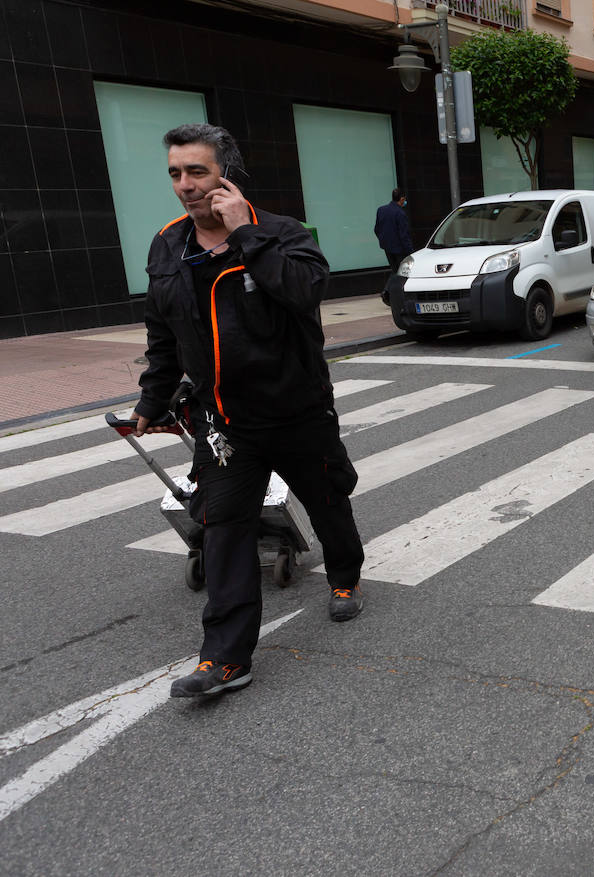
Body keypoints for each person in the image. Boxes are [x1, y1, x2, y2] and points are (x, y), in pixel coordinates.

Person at [133, 123, 366, 698]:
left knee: (327, 498)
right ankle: (227, 658)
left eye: (197, 172)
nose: (185, 185)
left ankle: (343, 576)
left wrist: (245, 235)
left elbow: (305, 292)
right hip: (224, 421)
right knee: (224, 529)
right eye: (175, 173)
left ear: (226, 176)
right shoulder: (168, 244)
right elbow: (163, 331)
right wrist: (153, 396)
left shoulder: (281, 233)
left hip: (296, 409)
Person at [374, 189, 413, 306]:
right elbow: (404, 235)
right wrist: (410, 251)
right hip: (400, 248)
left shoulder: (381, 210)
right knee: (402, 271)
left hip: (387, 247)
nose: (405, 202)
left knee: (396, 270)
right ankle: (389, 293)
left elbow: (376, 229)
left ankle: (388, 293)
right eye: (404, 199)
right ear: (401, 199)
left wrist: (384, 241)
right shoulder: (400, 213)